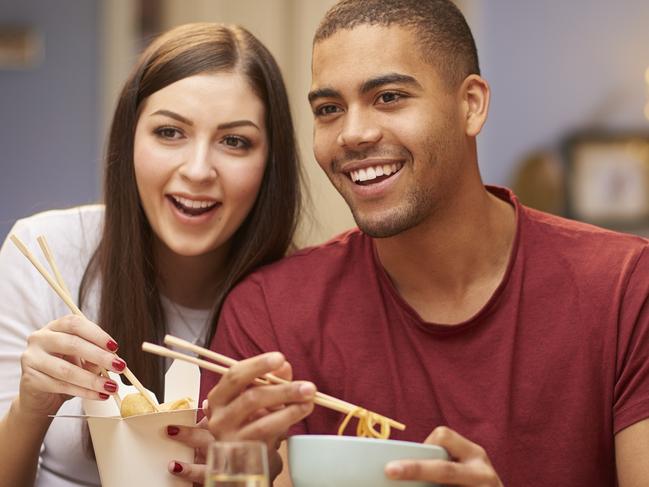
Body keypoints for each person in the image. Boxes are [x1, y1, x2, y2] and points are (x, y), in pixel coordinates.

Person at [199, 1, 649, 486]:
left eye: (389, 97)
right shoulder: (269, 314)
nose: (353, 133)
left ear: (470, 105)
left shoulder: (624, 288)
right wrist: (236, 469)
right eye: (329, 109)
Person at [0, 22, 312, 486]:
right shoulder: (45, 255)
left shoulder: (297, 298)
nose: (199, 169)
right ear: (129, 141)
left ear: (271, 163)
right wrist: (32, 406)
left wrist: (246, 470)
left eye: (234, 141)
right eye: (169, 132)